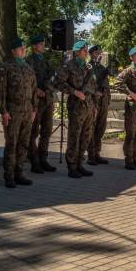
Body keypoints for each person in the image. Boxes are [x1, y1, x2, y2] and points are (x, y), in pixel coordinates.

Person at [0, 38, 37, 188]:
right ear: (13, 51)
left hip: (27, 111)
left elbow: (33, 90)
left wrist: (34, 110)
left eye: (24, 48)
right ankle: (9, 175)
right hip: (13, 111)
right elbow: (1, 92)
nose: (23, 50)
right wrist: (4, 111)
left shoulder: (28, 68)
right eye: (20, 48)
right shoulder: (6, 67)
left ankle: (19, 172)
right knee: (12, 143)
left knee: (23, 143)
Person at [54, 40, 97, 179]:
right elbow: (58, 82)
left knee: (86, 136)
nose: (86, 52)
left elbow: (93, 88)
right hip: (76, 106)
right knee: (74, 136)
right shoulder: (68, 66)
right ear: (77, 52)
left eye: (86, 50)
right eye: (84, 50)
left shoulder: (88, 67)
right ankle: (72, 166)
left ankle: (80, 163)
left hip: (88, 106)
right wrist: (74, 91)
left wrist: (94, 105)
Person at [114, 46, 136, 170]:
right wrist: (131, 94)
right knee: (131, 134)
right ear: (131, 58)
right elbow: (117, 83)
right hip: (132, 107)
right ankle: (128, 160)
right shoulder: (128, 71)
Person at [25, 34, 56, 174]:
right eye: (41, 44)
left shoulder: (46, 61)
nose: (43, 46)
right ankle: (34, 160)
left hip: (47, 100)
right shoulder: (29, 60)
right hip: (36, 101)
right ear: (34, 46)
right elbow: (26, 80)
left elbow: (51, 79)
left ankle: (43, 158)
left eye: (43, 44)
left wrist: (51, 95)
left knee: (47, 131)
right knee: (33, 132)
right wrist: (35, 90)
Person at [87, 45, 110, 166]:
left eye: (100, 53)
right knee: (92, 128)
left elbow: (106, 86)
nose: (99, 55)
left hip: (104, 102)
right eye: (96, 53)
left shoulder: (102, 68)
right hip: (94, 102)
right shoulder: (88, 68)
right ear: (91, 54)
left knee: (101, 128)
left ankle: (97, 153)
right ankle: (90, 155)